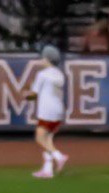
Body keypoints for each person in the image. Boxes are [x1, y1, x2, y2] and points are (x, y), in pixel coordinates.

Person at [31, 45, 68, 179]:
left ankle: (59, 156)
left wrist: (25, 95)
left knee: (40, 137)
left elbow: (34, 94)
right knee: (48, 139)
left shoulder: (42, 75)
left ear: (47, 59)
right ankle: (47, 170)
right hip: (58, 111)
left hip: (47, 111)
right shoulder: (59, 74)